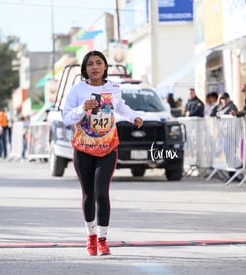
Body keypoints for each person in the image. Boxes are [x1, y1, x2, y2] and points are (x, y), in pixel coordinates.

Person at [62, 50, 143, 256]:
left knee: (101, 192)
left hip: (107, 147)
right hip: (84, 148)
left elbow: (121, 107)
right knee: (89, 194)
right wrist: (82, 108)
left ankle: (103, 239)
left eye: (99, 63)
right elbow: (66, 118)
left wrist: (134, 117)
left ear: (105, 66)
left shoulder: (113, 88)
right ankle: (90, 237)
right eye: (90, 64)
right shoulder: (77, 90)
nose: (95, 67)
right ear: (85, 68)